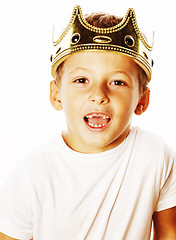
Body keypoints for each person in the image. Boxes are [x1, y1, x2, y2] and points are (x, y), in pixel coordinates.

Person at [0, 5, 176, 240]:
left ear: (142, 100)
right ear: (56, 94)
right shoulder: (32, 175)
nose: (99, 94)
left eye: (117, 82)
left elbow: (169, 233)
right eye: (82, 80)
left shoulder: (155, 155)